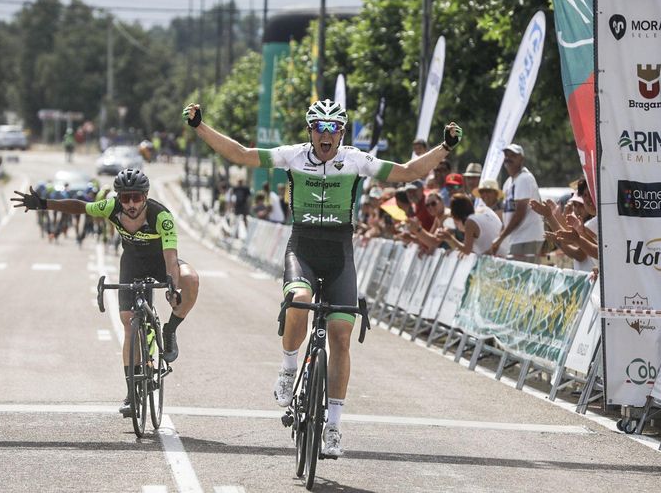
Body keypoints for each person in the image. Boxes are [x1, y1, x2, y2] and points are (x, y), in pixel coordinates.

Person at [182, 99, 462, 457]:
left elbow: (407, 172)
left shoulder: (357, 160)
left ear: (342, 133)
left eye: (333, 129)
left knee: (341, 337)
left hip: (339, 254)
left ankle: (333, 426)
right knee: (298, 302)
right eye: (319, 128)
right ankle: (287, 368)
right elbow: (240, 154)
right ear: (310, 131)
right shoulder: (293, 156)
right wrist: (200, 126)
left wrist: (445, 148)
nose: (326, 135)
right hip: (303, 249)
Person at [11, 168, 201, 417]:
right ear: (118, 198)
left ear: (145, 196)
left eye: (135, 197)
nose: (130, 204)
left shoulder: (161, 216)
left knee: (191, 279)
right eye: (125, 198)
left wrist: (172, 287)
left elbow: (171, 257)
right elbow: (80, 207)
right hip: (132, 264)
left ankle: (170, 329)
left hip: (160, 262)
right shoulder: (110, 208)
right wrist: (44, 203)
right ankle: (132, 395)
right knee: (130, 326)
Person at [490, 144, 544, 263]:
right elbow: (507, 215)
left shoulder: (524, 178)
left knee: (525, 279)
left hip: (528, 236)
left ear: (522, 159)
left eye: (513, 155)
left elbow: (520, 213)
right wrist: (500, 238)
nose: (508, 158)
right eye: (506, 155)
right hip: (517, 238)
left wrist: (500, 238)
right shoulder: (508, 183)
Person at [437, 193, 501, 256]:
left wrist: (450, 238)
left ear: (457, 215)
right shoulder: (483, 209)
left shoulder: (470, 222)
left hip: (496, 256)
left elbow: (467, 250)